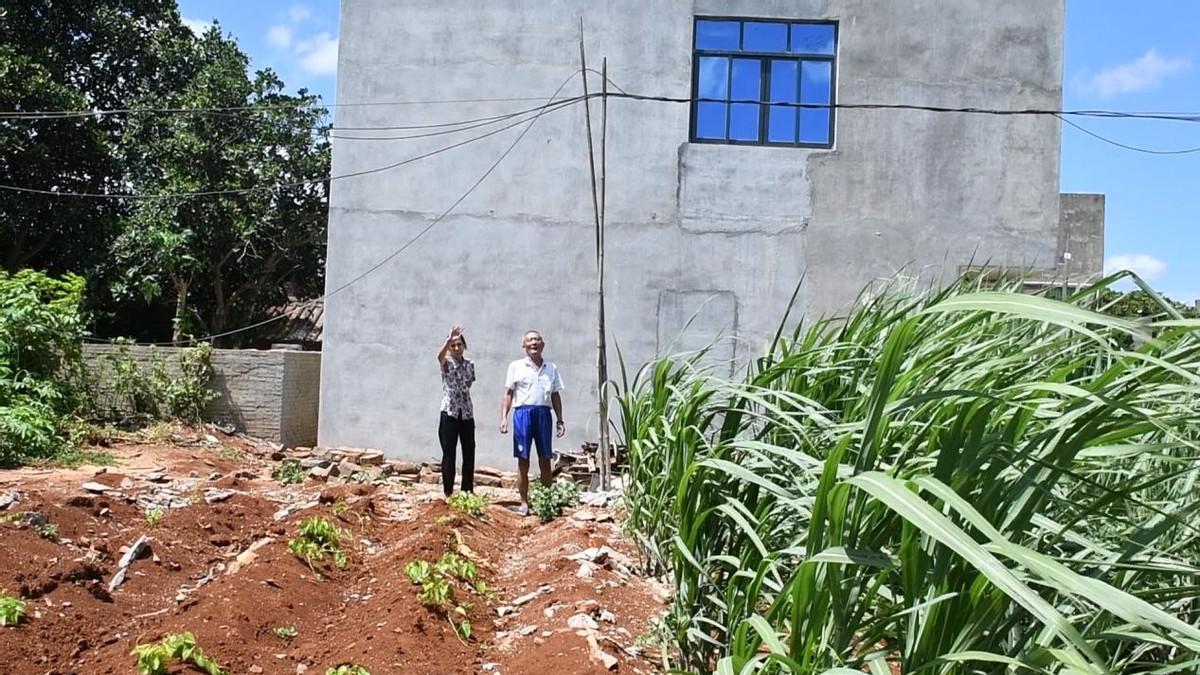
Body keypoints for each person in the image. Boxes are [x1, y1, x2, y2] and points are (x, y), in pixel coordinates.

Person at [499, 329, 564, 516]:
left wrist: (560, 419)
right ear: (524, 345)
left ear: (542, 344)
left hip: (544, 414)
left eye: (536, 340)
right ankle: (524, 503)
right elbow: (508, 393)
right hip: (523, 414)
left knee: (545, 459)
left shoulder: (551, 368)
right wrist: (504, 416)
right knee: (523, 460)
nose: (533, 343)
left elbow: (555, 395)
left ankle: (547, 501)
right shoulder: (516, 366)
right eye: (529, 340)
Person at [437, 325, 476, 497]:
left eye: (459, 344)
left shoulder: (469, 365)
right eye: (453, 345)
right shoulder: (446, 363)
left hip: (466, 412)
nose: (456, 348)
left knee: (469, 451)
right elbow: (439, 357)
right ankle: (448, 491)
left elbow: (468, 384)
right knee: (449, 452)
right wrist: (447, 341)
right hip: (449, 411)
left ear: (464, 346)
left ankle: (467, 490)